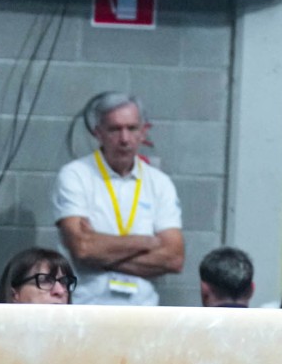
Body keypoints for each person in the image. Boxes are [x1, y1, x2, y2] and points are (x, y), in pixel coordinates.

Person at [54, 92, 184, 306]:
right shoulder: (76, 175)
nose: (124, 139)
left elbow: (174, 258)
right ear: (98, 133)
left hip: (143, 311)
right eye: (115, 129)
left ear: (143, 132)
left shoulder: (160, 183)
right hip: (86, 308)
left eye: (132, 128)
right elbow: (82, 248)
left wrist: (100, 252)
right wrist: (146, 242)